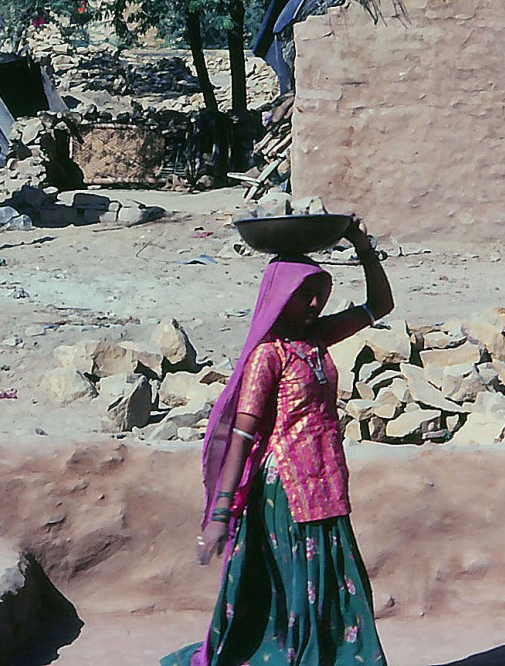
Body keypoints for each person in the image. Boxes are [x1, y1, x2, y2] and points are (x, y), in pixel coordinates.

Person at [163, 218, 395, 666]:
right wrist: (219, 515)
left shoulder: (314, 338)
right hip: (286, 491)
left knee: (337, 583)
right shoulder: (269, 357)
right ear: (279, 299)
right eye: (305, 294)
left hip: (326, 482)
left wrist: (361, 244)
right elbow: (241, 437)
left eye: (319, 293)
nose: (314, 302)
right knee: (300, 587)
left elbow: (379, 305)